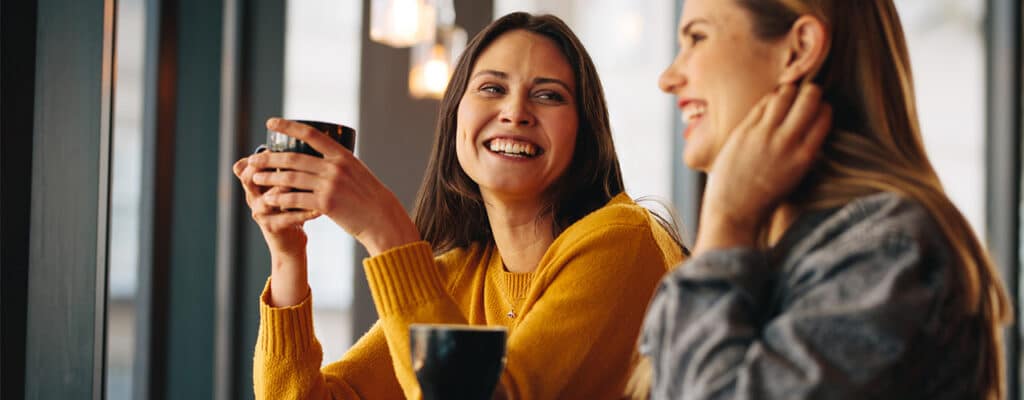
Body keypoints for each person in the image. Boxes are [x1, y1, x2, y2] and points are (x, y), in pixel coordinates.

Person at [233, 12, 686, 400]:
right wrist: (288, 253)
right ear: (455, 119)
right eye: (491, 88)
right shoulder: (460, 276)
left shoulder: (622, 240)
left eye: (548, 95)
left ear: (584, 134)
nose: (515, 112)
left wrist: (385, 229)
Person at [633, 0, 1012, 399]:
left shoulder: (888, 249)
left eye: (697, 37)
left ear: (799, 50)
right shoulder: (774, 244)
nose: (668, 78)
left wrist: (726, 218)